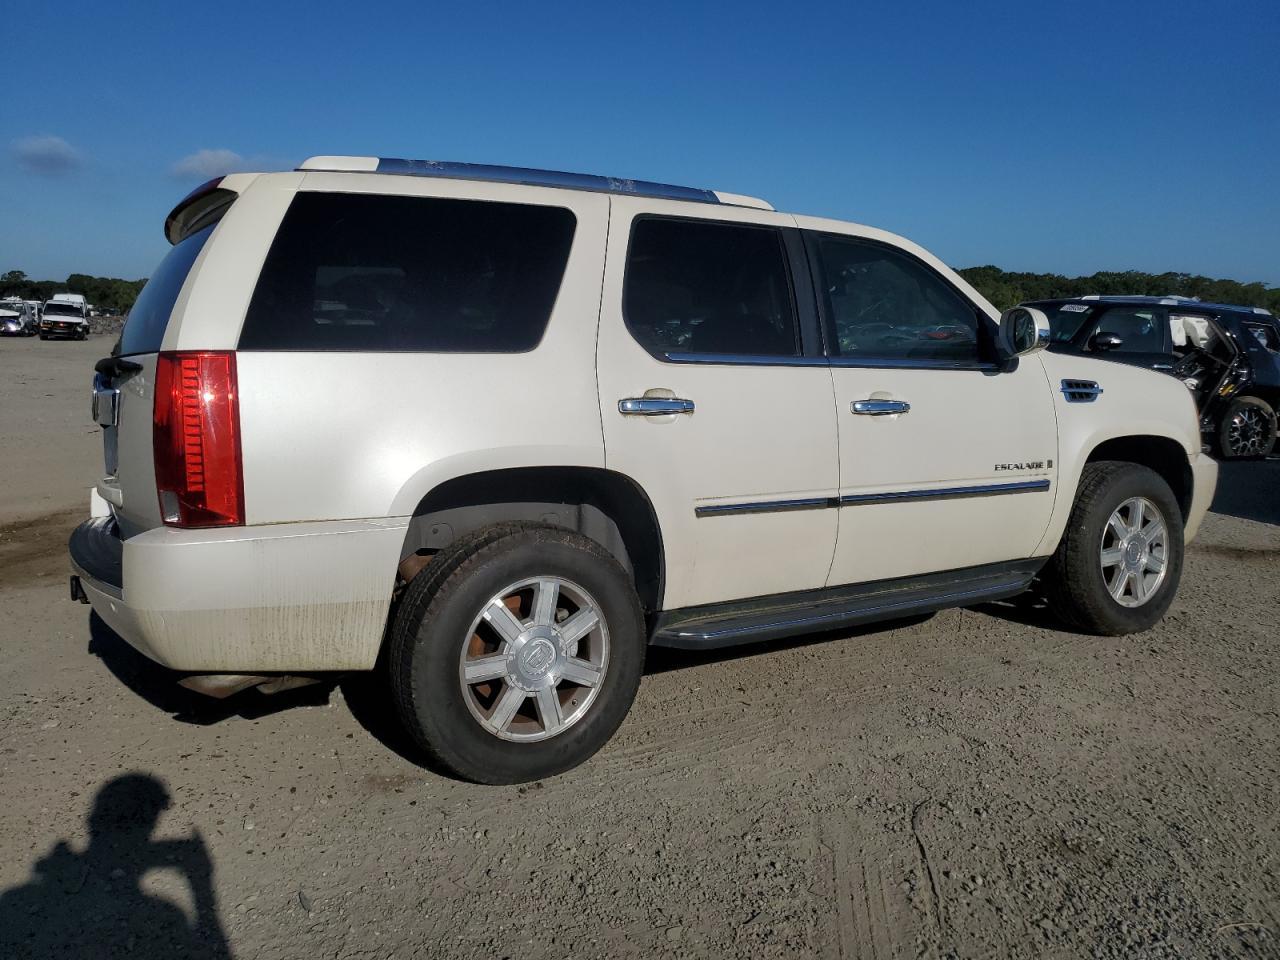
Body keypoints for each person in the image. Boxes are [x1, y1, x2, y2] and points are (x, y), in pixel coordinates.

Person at [0, 773, 231, 958]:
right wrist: (202, 885)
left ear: (93, 819)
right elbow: (216, 947)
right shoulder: (166, 912)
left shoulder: (12, 901)